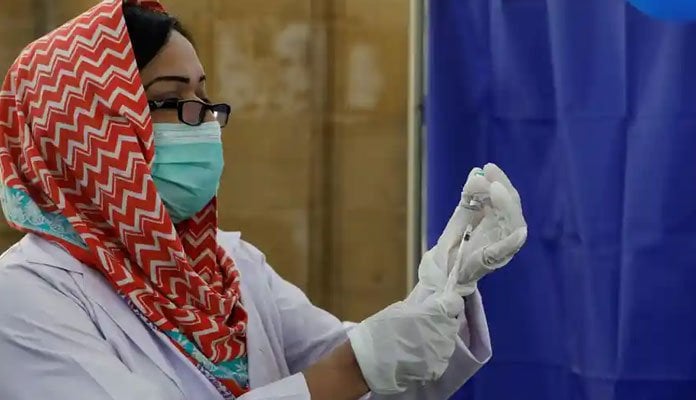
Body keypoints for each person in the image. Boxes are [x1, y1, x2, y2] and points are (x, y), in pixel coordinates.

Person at [0, 1, 527, 399]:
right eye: (168, 100)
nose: (202, 123)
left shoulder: (228, 268)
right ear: (82, 131)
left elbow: (378, 384)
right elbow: (347, 372)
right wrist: (359, 364)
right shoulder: (25, 295)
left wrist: (441, 296)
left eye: (203, 99)